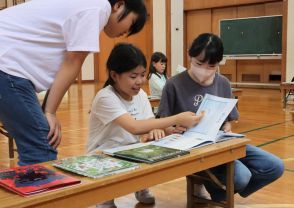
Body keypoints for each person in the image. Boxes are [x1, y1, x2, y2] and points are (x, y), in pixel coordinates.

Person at [0, 0, 147, 166]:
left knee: (40, 142)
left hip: (8, 66)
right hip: (6, 66)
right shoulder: (98, 8)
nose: (126, 32)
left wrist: (48, 110)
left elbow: (64, 67)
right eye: (131, 24)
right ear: (119, 5)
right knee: (41, 146)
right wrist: (49, 112)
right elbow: (73, 62)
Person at [157, 33, 284, 202]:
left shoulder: (223, 83)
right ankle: (218, 189)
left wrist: (227, 128)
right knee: (241, 177)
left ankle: (220, 193)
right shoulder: (173, 84)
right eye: (199, 64)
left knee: (275, 166)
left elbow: (228, 122)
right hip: (193, 148)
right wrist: (170, 128)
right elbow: (162, 122)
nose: (204, 70)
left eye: (211, 66)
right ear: (189, 55)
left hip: (220, 143)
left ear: (219, 63)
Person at [87, 43, 203, 208]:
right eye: (133, 76)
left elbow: (149, 122)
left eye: (142, 75)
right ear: (114, 75)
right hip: (101, 155)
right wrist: (176, 118)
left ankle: (140, 185)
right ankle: (105, 196)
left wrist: (167, 130)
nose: (140, 81)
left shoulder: (140, 94)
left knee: (154, 147)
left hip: (129, 151)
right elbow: (134, 127)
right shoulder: (105, 97)